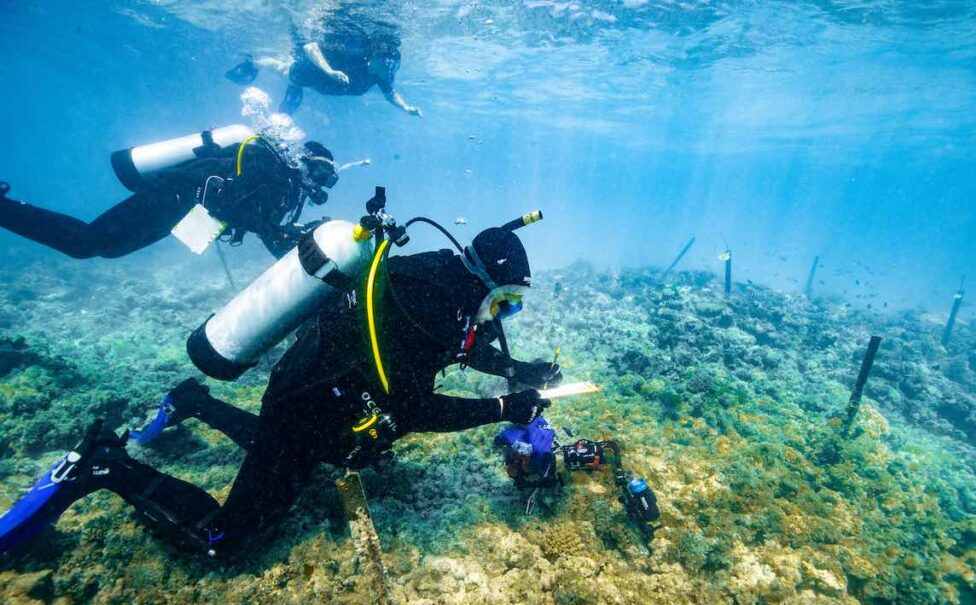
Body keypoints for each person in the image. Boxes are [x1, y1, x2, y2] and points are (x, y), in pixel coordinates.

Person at [0, 223, 560, 556]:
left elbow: (455, 345)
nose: (503, 314)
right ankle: (102, 465)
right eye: (506, 300)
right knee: (227, 538)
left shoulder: (444, 279)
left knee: (321, 452)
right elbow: (411, 407)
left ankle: (195, 402)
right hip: (305, 404)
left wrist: (525, 370)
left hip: (318, 392)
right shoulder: (433, 306)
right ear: (484, 279)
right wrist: (502, 406)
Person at [0, 139, 339, 261]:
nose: (322, 185)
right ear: (302, 162)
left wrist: (301, 241)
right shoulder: (265, 165)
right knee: (87, 243)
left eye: (330, 180)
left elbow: (264, 229)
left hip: (181, 212)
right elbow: (221, 199)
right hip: (170, 197)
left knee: (105, 248)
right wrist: (274, 230)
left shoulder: (283, 190)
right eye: (322, 175)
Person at [226, 10, 420, 117]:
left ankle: (294, 87)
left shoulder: (382, 75)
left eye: (394, 65)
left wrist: (406, 108)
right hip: (311, 72)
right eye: (387, 63)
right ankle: (254, 62)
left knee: (293, 80)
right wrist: (329, 71)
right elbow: (310, 47)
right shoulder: (353, 54)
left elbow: (391, 95)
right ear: (375, 56)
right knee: (283, 69)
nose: (390, 69)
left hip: (320, 84)